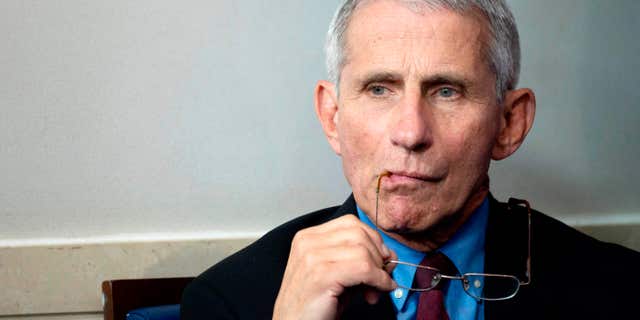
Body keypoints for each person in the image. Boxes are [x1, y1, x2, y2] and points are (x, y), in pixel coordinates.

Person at [181, 0, 640, 319]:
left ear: (509, 124)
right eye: (379, 88)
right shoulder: (233, 300)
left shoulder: (619, 291)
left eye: (447, 91)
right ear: (332, 117)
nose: (410, 133)